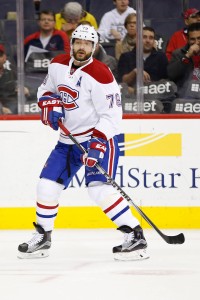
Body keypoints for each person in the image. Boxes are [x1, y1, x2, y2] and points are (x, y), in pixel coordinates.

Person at [17, 24, 149, 261]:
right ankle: (43, 237)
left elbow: (112, 116)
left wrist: (96, 146)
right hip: (67, 140)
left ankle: (135, 236)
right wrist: (49, 103)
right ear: (72, 43)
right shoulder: (57, 64)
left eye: (87, 44)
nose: (82, 47)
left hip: (99, 138)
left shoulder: (101, 74)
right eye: (78, 42)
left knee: (99, 190)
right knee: (46, 187)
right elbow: (45, 90)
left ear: (94, 47)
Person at [167, 22, 200, 99]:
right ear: (187, 39)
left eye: (199, 38)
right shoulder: (178, 53)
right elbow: (171, 75)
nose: (196, 42)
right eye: (192, 39)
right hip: (184, 97)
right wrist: (187, 56)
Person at [0, 44, 30, 114]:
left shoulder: (12, 73)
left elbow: (30, 89)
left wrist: (26, 90)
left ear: (4, 58)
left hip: (12, 111)